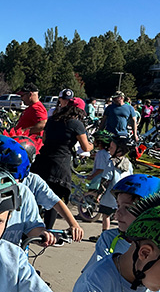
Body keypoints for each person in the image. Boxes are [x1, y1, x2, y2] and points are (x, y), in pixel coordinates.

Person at [30, 94, 93, 229]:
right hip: (59, 164)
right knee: (53, 200)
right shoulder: (76, 124)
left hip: (42, 161)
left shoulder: (52, 120)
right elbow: (85, 147)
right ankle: (47, 231)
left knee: (35, 196)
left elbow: (45, 140)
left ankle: (29, 227)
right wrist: (93, 145)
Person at [82, 175, 160, 273]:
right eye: (118, 206)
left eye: (128, 208)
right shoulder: (109, 238)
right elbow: (92, 274)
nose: (117, 213)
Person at [96, 135, 134, 235]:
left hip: (110, 196)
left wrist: (99, 194)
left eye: (111, 147)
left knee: (106, 215)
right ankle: (122, 234)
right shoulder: (128, 163)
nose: (109, 149)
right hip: (123, 196)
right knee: (122, 215)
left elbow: (105, 180)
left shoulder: (111, 163)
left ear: (119, 150)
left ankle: (105, 234)